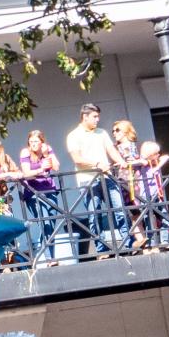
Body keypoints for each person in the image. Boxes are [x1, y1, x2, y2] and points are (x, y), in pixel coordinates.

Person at [65, 104, 130, 253]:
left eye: (98, 116)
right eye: (94, 117)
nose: (97, 120)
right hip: (87, 180)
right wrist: (97, 164)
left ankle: (127, 243)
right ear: (85, 116)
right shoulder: (74, 135)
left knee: (119, 208)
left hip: (107, 176)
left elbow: (111, 150)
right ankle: (101, 250)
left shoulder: (102, 133)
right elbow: (77, 158)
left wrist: (121, 161)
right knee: (95, 214)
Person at [17, 130, 62, 257]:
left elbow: (57, 167)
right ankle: (49, 258)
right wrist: (40, 170)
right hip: (33, 193)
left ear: (42, 142)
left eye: (36, 141)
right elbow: (26, 173)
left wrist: (47, 154)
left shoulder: (47, 150)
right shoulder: (26, 152)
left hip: (49, 189)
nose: (33, 144)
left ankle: (46, 255)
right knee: (44, 222)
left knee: (51, 223)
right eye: (31, 141)